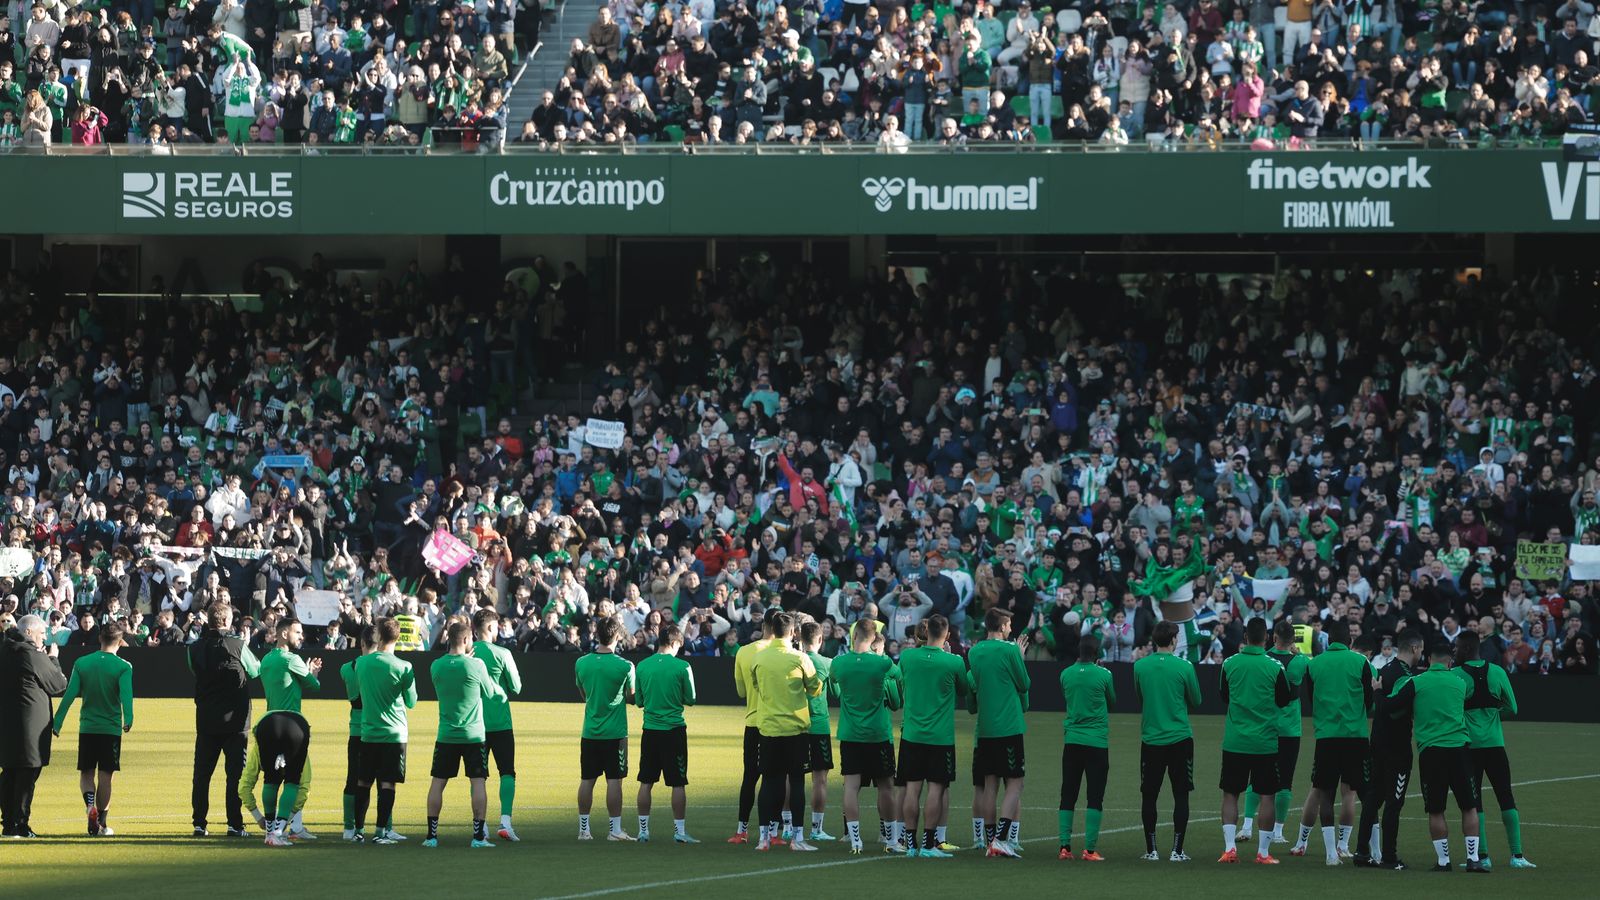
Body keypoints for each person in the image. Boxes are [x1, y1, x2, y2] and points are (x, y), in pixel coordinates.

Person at [1389, 641, 1489, 873]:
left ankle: (1443, 861)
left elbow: (1394, 706)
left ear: (1428, 660)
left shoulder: (1417, 682)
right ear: (1450, 662)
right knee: (1469, 806)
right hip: (1459, 748)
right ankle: (1473, 859)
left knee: (1435, 809)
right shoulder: (1459, 683)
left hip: (1431, 751)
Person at [1288, 619, 1372, 865]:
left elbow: (1311, 697)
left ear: (1328, 640)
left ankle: (1327, 853)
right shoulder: (1361, 662)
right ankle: (1350, 846)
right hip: (1355, 736)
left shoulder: (1316, 664)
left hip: (1326, 736)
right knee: (1353, 793)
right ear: (1350, 640)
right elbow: (1369, 699)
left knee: (1322, 791)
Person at [1218, 617, 1295, 864]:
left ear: (1245, 637)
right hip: (1265, 742)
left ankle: (1230, 848)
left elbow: (1224, 695)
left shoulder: (1230, 663)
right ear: (1267, 638)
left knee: (1230, 794)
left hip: (1236, 740)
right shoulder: (1275, 667)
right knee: (1267, 795)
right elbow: (1284, 700)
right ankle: (1262, 852)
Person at [1455, 630, 1534, 869]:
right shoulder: (1498, 672)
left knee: (1474, 801)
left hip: (1469, 747)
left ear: (1466, 649)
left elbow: (1452, 709)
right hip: (1495, 745)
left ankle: (1483, 856)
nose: (1455, 650)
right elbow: (1513, 708)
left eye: (1457, 647)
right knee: (1506, 797)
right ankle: (1517, 856)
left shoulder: (1456, 675)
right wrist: (1494, 714)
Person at [424, 620, 505, 848]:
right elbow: (489, 692)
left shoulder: (436, 666)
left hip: (446, 734)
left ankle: (431, 837)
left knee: (438, 782)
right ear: (468, 640)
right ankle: (478, 837)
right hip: (473, 736)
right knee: (478, 782)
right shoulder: (476, 665)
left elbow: (448, 677)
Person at [895, 613, 969, 858]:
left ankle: (909, 842)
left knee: (912, 789)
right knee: (936, 789)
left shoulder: (907, 656)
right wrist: (948, 655)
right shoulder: (954, 662)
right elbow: (963, 690)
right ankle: (928, 844)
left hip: (912, 735)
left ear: (926, 633)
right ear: (947, 635)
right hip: (940, 737)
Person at [50, 621, 133, 837]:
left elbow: (69, 694)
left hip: (88, 727)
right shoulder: (124, 666)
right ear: (120, 641)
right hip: (111, 729)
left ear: (100, 639)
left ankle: (89, 807)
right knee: (106, 776)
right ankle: (102, 824)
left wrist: (57, 721)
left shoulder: (82, 662)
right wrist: (129, 719)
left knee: (86, 772)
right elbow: (126, 697)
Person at [749, 610, 823, 852]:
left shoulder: (759, 658)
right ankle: (797, 839)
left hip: (769, 728)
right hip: (794, 729)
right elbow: (814, 689)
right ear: (793, 633)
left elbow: (757, 687)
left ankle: (763, 838)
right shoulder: (799, 658)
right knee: (797, 782)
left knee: (770, 782)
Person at [830, 619, 902, 855]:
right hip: (878, 734)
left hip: (850, 734)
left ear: (854, 635)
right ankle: (891, 841)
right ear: (873, 638)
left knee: (851, 787)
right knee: (886, 786)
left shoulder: (839, 663)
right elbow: (899, 676)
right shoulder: (881, 663)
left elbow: (833, 686)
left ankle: (855, 841)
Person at [247, 617, 322, 840]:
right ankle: (283, 828)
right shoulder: (292, 659)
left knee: (271, 778)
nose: (301, 637)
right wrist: (312, 673)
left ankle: (272, 829)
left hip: (268, 722)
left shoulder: (267, 660)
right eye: (297, 632)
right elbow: (314, 686)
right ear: (283, 634)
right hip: (291, 725)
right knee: (295, 780)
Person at [189, 600, 260, 837]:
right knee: (235, 775)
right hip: (236, 722)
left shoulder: (194, 648)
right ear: (228, 621)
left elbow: (194, 670)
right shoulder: (237, 645)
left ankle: (199, 823)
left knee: (202, 774)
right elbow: (255, 670)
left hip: (207, 719)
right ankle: (234, 824)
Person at [1134, 620, 1202, 861]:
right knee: (1181, 794)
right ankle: (1177, 850)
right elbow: (1196, 699)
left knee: (1149, 795)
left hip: (1151, 739)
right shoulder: (1184, 667)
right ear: (1174, 640)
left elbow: (1139, 695)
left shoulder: (1140, 666)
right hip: (1180, 739)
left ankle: (1151, 850)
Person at [1354, 630, 1422, 869]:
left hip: (1378, 743)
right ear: (1414, 649)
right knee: (1394, 802)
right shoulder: (1406, 676)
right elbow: (1391, 709)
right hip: (1397, 748)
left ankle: (1362, 852)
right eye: (1420, 649)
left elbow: (1375, 706)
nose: (1421, 654)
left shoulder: (1385, 670)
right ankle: (1389, 857)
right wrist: (1381, 694)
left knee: (1373, 798)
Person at [967, 607, 1030, 858]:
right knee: (1015, 783)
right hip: (1009, 727)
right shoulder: (1010, 650)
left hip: (985, 729)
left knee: (989, 785)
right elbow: (1024, 684)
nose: (1011, 629)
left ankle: (991, 839)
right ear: (1002, 626)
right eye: (1010, 625)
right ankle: (1002, 839)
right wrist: (1020, 659)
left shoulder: (974, 651)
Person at [1240, 620, 1307, 844]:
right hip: (1289, 729)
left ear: (1274, 637)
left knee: (1255, 778)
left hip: (1264, 725)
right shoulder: (1299, 661)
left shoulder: (1264, 658)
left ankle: (1247, 826)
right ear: (1294, 640)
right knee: (1284, 781)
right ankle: (1278, 831)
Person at [1, 614, 68, 837]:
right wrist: (54, 659)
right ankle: (20, 824)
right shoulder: (30, 653)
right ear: (29, 632)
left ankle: (9, 823)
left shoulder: (5, 650)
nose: (43, 639)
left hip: (7, 722)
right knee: (27, 773)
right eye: (41, 634)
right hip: (30, 724)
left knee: (10, 771)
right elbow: (58, 683)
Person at [354, 617, 417, 845]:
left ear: (379, 636)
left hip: (369, 732)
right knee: (387, 783)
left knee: (363, 782)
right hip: (394, 734)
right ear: (397, 638)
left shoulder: (362, 664)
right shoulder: (404, 667)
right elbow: (411, 701)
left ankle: (358, 830)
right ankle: (381, 832)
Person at [634, 622, 697, 843]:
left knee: (646, 781)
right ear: (675, 642)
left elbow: (639, 701)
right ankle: (679, 832)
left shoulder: (642, 666)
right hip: (673, 730)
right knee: (678, 782)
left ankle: (643, 831)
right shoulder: (682, 667)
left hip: (650, 730)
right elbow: (691, 699)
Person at [575, 615, 636, 841]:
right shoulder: (625, 666)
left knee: (587, 779)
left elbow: (584, 695)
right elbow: (632, 698)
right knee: (614, 780)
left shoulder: (581, 663)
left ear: (596, 635)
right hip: (615, 733)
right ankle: (615, 829)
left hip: (590, 731)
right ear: (617, 636)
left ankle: (584, 829)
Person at [1058, 632, 1114, 861]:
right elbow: (1112, 701)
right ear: (1097, 653)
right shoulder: (1104, 675)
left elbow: (1068, 697)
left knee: (1068, 793)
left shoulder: (1066, 674)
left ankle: (1064, 847)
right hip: (1096, 742)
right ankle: (1089, 850)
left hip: (1072, 741)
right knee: (1095, 795)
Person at [471, 609, 524, 842]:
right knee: (507, 772)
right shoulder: (502, 653)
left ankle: (480, 826)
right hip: (501, 722)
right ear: (491, 628)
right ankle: (505, 822)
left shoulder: (468, 653)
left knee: (478, 777)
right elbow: (517, 686)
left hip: (475, 723)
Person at [728, 609, 778, 844]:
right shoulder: (786, 653)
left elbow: (740, 692)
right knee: (776, 777)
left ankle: (742, 829)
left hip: (754, 722)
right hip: (779, 724)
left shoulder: (744, 652)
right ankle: (774, 832)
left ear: (764, 625)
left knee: (750, 777)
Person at [340, 625, 379, 841]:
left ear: (362, 644)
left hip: (356, 729)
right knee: (384, 779)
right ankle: (385, 827)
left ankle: (349, 827)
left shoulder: (347, 668)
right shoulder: (381, 666)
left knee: (353, 779)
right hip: (378, 728)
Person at [252, 709, 312, 848]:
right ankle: (277, 833)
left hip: (266, 724)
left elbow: (245, 784)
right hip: (298, 726)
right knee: (292, 781)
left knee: (270, 780)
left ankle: (269, 834)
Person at [799, 620, 836, 842]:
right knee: (819, 779)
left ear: (800, 639)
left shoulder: (794, 660)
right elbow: (837, 692)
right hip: (819, 725)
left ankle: (786, 826)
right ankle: (816, 828)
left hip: (796, 725)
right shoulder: (827, 663)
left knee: (791, 776)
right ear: (820, 640)